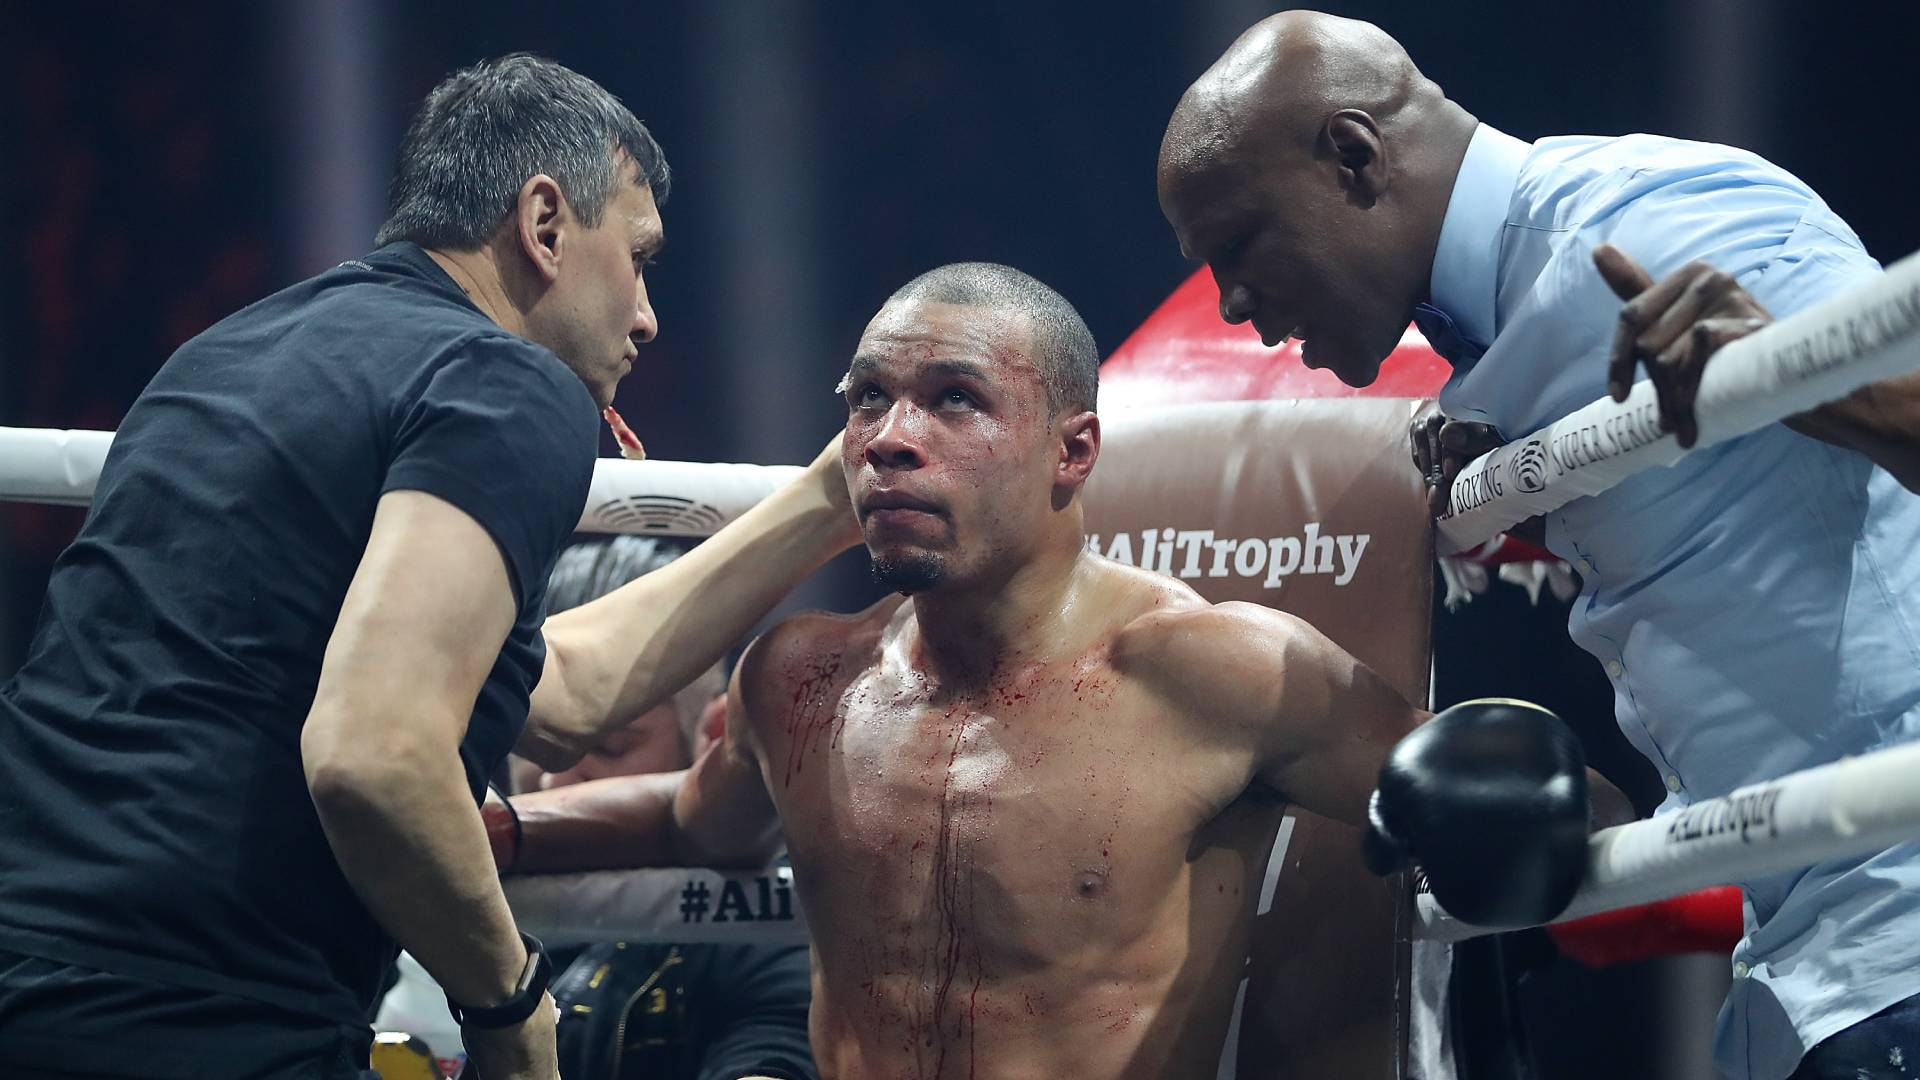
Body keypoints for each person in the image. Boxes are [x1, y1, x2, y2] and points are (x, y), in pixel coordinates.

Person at [502, 262, 1631, 1078]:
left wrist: (1535, 795)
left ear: (1072, 451)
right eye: (867, 399)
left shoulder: (1209, 672)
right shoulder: (801, 680)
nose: (891, 437)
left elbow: (1563, 814)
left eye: (954, 398)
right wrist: (496, 835)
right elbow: (696, 823)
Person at [0, 55, 854, 1080]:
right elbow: (375, 752)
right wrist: (510, 1005)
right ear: (545, 225)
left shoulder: (226, 355)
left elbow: (561, 693)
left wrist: (822, 502)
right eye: (637, 258)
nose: (646, 315)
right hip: (197, 1010)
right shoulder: (505, 381)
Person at [1155, 12, 1920, 1078]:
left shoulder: (1655, 221)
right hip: (1802, 953)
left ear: (1355, 157)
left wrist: (1791, 371)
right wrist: (1526, 483)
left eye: (1239, 244)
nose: (1232, 303)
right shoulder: (1480, 323)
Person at [494, 536, 816, 1080]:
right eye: (529, 742)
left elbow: (776, 1050)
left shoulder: (766, 931)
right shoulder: (412, 893)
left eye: (611, 745)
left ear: (715, 737)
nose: (552, 778)